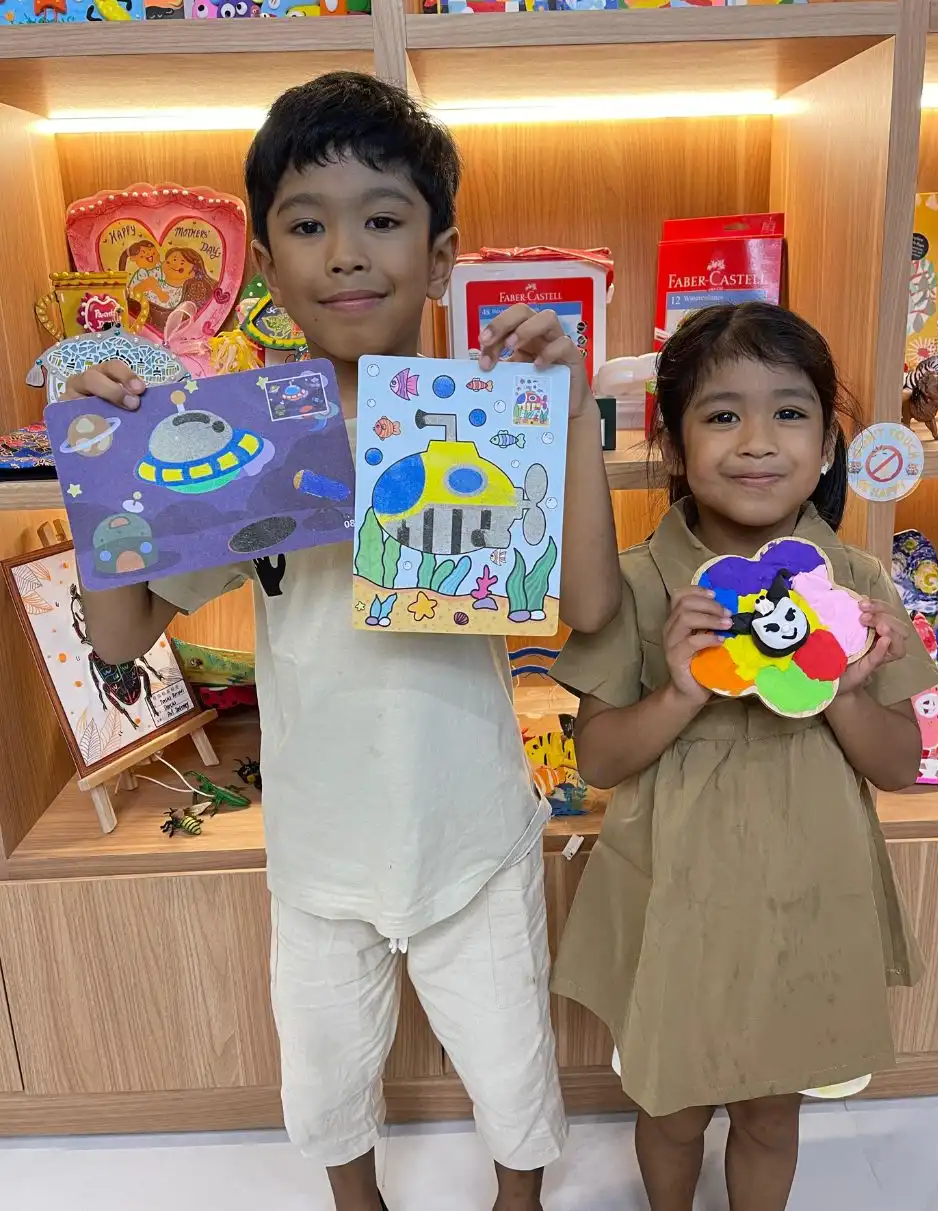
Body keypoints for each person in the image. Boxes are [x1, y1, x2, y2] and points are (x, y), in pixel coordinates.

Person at [65, 71, 621, 1211]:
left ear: (442, 250)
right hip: (319, 846)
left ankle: (520, 1196)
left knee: (511, 1059)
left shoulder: (480, 411)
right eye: (307, 225)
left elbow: (593, 607)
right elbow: (121, 631)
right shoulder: (237, 439)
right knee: (323, 1069)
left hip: (471, 824)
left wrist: (565, 417)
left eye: (382, 218)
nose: (347, 251)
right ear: (264, 264)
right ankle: (352, 1200)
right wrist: (106, 474)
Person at [549, 302, 938, 1211]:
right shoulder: (642, 583)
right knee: (675, 1108)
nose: (758, 440)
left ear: (829, 445)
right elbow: (598, 760)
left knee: (772, 1111)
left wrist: (844, 686)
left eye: (791, 411)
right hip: (677, 901)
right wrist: (679, 688)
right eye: (723, 413)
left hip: (806, 898)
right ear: (676, 448)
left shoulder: (861, 586)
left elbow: (899, 765)